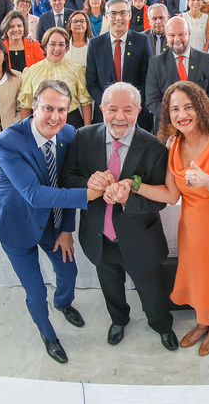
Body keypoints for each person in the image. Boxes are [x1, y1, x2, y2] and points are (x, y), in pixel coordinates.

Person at [129, 81, 209, 356]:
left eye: (188, 106)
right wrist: (134, 185)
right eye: (174, 109)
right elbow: (171, 195)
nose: (182, 114)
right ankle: (202, 321)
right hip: (192, 228)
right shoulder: (175, 146)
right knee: (199, 279)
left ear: (201, 108)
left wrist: (207, 181)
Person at [61, 83, 178, 350]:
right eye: (112, 109)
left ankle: (161, 324)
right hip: (99, 236)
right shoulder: (83, 137)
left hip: (140, 241)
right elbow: (68, 178)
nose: (120, 117)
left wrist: (129, 199)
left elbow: (160, 201)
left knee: (152, 291)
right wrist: (88, 183)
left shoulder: (154, 147)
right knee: (110, 287)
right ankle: (118, 319)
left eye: (127, 110)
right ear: (101, 109)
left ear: (138, 110)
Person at [0, 80, 98, 363]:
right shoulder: (7, 141)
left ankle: (63, 304)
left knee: (69, 272)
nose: (55, 117)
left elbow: (67, 181)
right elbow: (35, 195)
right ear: (34, 107)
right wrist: (90, 194)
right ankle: (48, 335)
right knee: (36, 293)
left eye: (62, 110)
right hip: (16, 224)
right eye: (48, 108)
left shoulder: (70, 134)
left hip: (53, 223)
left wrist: (65, 228)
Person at [85, 0, 151, 126]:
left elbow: (147, 79)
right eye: (113, 14)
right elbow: (91, 82)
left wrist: (133, 103)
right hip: (105, 113)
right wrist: (107, 104)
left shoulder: (142, 41)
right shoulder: (95, 44)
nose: (118, 18)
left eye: (123, 13)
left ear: (130, 15)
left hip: (135, 113)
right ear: (106, 16)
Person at [145, 16, 209, 127]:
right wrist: (176, 117)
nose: (177, 39)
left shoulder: (208, 60)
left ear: (189, 34)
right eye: (172, 35)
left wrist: (194, 117)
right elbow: (152, 101)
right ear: (166, 36)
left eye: (181, 34)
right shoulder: (156, 63)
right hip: (168, 128)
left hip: (200, 126)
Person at [21, 27, 93, 128]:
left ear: (66, 47)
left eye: (61, 44)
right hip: (42, 123)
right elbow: (26, 106)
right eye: (53, 44)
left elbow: (85, 103)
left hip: (71, 122)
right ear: (45, 46)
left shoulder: (76, 69)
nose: (57, 48)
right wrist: (25, 131)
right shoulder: (32, 71)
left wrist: (87, 130)